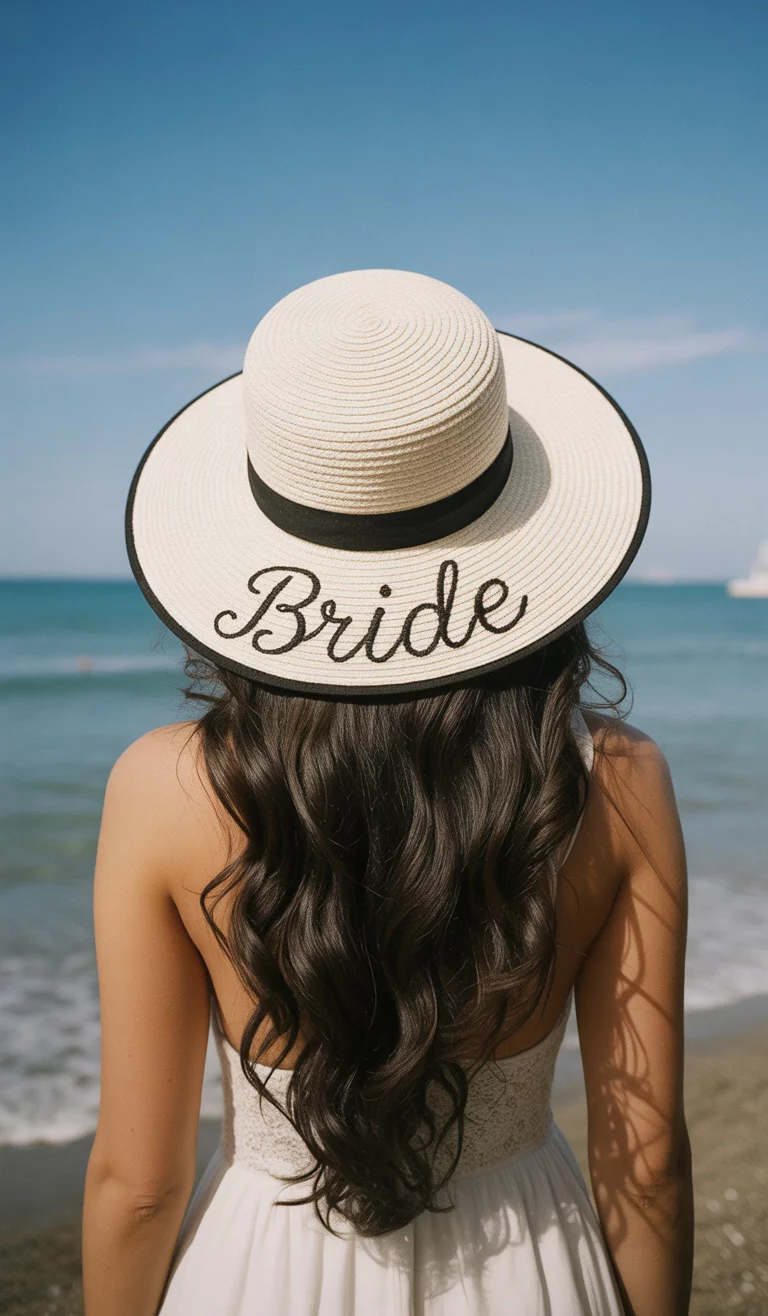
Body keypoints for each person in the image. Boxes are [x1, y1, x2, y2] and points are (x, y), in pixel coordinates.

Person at [82, 270, 693, 1315]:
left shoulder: (160, 785)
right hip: (532, 1265)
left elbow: (140, 1186)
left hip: (262, 1275)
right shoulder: (619, 779)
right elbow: (644, 1161)